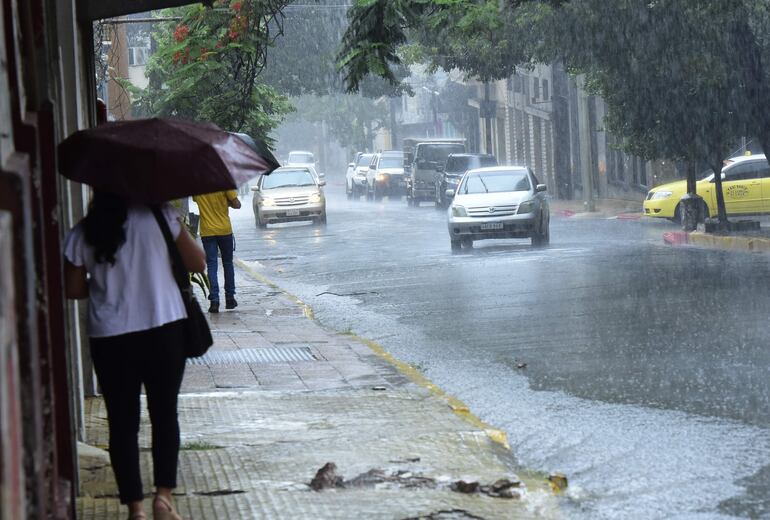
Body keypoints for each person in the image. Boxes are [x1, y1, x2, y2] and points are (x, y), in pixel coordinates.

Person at [63, 191, 206, 520]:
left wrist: (105, 286)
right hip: (163, 329)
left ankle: (136, 509)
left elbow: (71, 288)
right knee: (164, 415)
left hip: (111, 336)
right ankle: (164, 499)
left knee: (122, 424)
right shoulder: (160, 216)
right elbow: (197, 262)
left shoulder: (85, 230)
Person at [192, 190, 241, 313]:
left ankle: (214, 301)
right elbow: (237, 204)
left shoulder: (197, 186)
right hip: (224, 230)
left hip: (207, 231)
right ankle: (230, 298)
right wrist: (227, 202)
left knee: (212, 265)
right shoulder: (223, 183)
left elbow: (196, 200)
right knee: (228, 263)